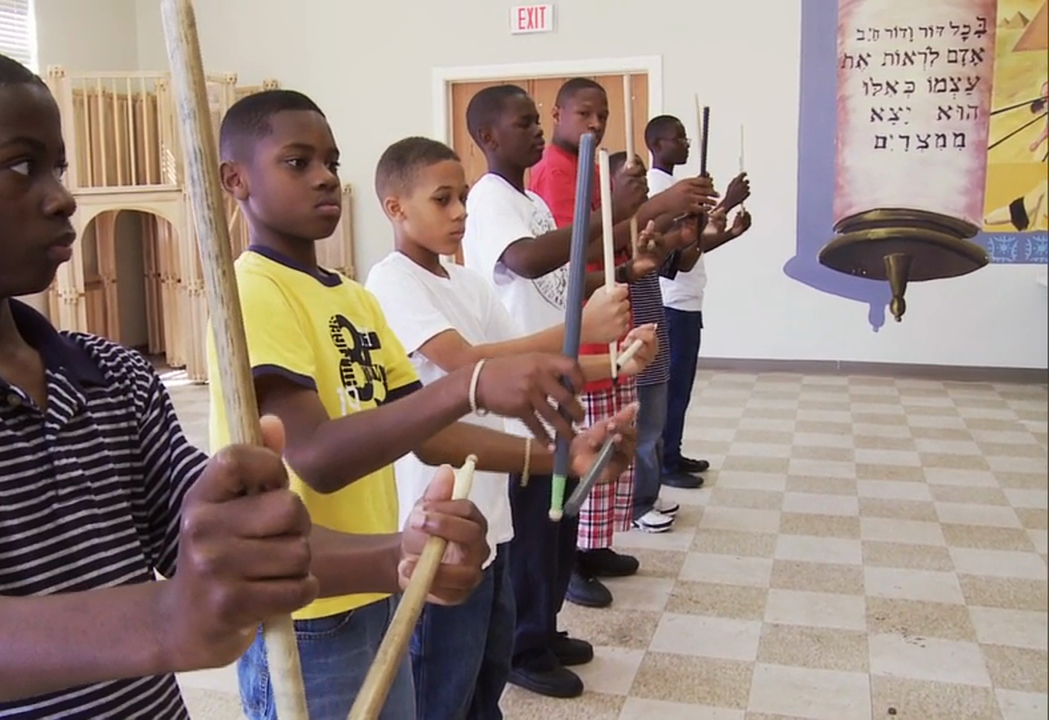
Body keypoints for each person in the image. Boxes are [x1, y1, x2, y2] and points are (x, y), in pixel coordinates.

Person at [0, 46, 495, 720]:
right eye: (23, 168)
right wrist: (165, 618)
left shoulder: (113, 378)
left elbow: (227, 548)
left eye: (59, 168)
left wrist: (397, 556)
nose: (62, 197)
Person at [206, 90, 637, 720]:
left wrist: (560, 457)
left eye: (331, 159)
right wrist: (467, 384)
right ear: (235, 179)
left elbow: (432, 434)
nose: (326, 175)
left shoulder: (350, 297)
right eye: (298, 162)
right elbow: (319, 457)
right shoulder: (252, 289)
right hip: (304, 613)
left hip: (379, 581)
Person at [364, 136, 658, 720]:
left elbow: (519, 363)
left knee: (487, 670)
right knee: (440, 682)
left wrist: (617, 362)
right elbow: (470, 362)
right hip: (436, 515)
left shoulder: (467, 283)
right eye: (442, 200)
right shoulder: (390, 281)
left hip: (490, 514)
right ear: (395, 208)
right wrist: (581, 321)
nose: (460, 214)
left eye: (464, 199)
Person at [459, 84, 716, 699]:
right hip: (520, 387)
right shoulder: (491, 198)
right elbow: (524, 263)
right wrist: (617, 214)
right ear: (489, 137)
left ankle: (544, 628)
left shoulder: (531, 201)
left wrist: (628, 269)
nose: (535, 131)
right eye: (523, 123)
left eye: (534, 121)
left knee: (557, 526)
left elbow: (567, 271)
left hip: (558, 373)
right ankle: (523, 644)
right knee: (529, 532)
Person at [646, 115, 753, 481]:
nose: (687, 143)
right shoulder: (657, 190)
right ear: (657, 144)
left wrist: (730, 232)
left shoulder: (673, 186)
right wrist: (726, 201)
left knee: (681, 387)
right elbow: (675, 254)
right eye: (679, 138)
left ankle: (671, 453)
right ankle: (663, 464)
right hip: (671, 302)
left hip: (686, 300)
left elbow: (690, 245)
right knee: (671, 388)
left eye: (687, 137)